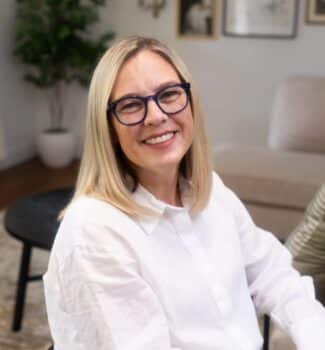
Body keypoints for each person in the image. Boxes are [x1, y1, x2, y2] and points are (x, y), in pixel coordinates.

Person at [43, 36, 325, 350]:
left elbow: (272, 273)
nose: (156, 116)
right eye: (132, 104)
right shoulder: (95, 232)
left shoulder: (210, 191)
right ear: (107, 126)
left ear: (190, 102)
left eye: (169, 94)